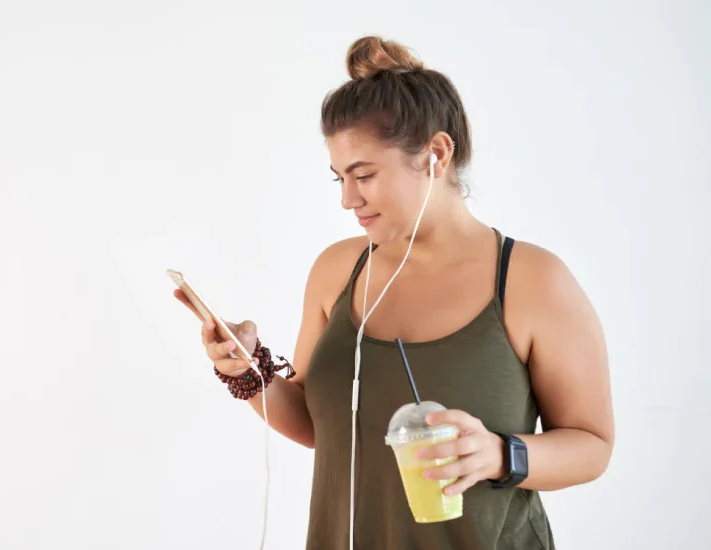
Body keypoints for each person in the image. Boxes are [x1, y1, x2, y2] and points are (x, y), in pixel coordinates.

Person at [173, 36, 614, 550]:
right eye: (339, 178)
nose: (346, 198)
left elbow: (592, 447)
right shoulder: (337, 271)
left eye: (364, 175)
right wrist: (248, 371)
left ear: (437, 154)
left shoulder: (532, 280)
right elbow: (322, 426)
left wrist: (499, 454)